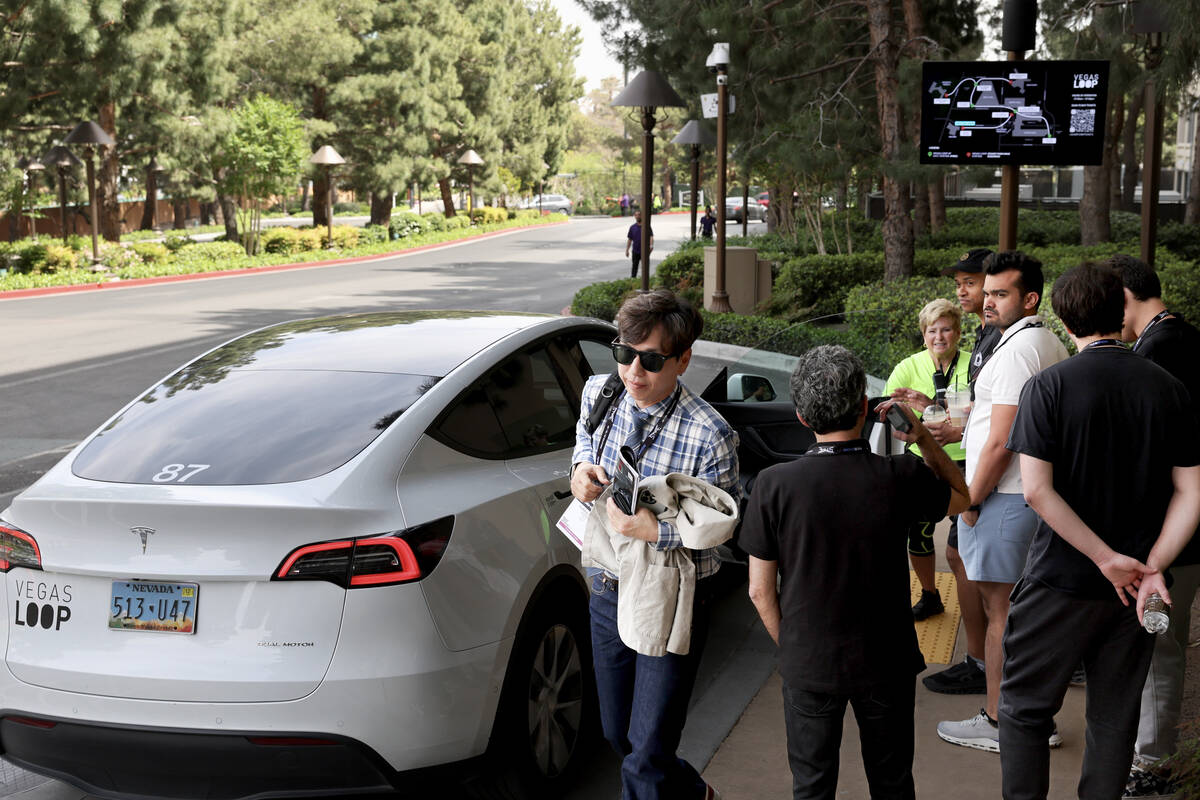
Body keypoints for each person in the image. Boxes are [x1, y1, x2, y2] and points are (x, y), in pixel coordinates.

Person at [1001, 261, 1200, 800]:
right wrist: (1151, 564)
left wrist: (1102, 557)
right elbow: (1190, 493)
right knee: (1115, 719)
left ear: (1065, 320)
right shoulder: (1168, 389)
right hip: (1137, 588)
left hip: (1059, 581)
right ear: (1123, 310)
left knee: (1023, 711)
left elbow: (1038, 492)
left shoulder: (1048, 387)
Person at [742, 345, 969, 800]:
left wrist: (794, 649)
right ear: (865, 407)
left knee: (812, 785)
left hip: (809, 661)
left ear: (803, 417)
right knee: (891, 782)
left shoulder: (774, 485)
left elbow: (759, 592)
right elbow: (961, 496)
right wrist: (922, 435)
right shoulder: (899, 475)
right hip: (886, 658)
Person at [569, 289, 740, 800]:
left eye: (651, 360)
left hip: (670, 595)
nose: (633, 372)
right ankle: (691, 791)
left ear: (683, 358)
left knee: (645, 753)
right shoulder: (600, 392)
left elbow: (721, 532)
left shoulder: (711, 433)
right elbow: (582, 440)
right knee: (618, 733)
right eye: (624, 353)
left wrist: (655, 531)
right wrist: (580, 471)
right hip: (606, 582)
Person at [936, 251, 1068, 752]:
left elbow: (1002, 440)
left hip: (1005, 499)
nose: (987, 302)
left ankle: (1001, 723)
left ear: (1029, 298)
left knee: (1003, 617)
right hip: (1020, 498)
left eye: (1000, 294)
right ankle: (1029, 719)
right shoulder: (1038, 341)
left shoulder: (1017, 351)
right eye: (986, 292)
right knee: (1018, 615)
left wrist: (971, 499)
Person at [1112, 254, 1200, 797]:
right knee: (1160, 642)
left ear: (1126, 296)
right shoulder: (1180, 337)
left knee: (1159, 644)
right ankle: (1152, 755)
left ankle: (1154, 763)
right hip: (1180, 524)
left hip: (1170, 532)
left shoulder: (1160, 350)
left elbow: (1151, 450)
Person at [921, 247, 995, 695]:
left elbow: (1001, 421)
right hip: (970, 466)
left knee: (971, 561)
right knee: (959, 555)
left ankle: (984, 664)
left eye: (970, 280)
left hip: (984, 474)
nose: (961, 289)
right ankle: (982, 657)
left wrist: (974, 494)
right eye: (959, 282)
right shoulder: (992, 336)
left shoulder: (1001, 338)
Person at [885, 298, 970, 620]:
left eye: (946, 329)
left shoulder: (974, 364)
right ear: (923, 335)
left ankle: (974, 597)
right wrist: (914, 419)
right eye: (932, 330)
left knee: (966, 535)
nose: (939, 337)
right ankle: (930, 594)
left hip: (966, 461)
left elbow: (984, 415)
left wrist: (930, 405)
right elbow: (890, 410)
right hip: (923, 462)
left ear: (958, 332)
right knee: (918, 531)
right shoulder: (908, 367)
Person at [626, 210, 654, 279]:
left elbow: (651, 236)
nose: (638, 216)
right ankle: (633, 280)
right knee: (634, 266)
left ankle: (644, 280)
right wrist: (627, 250)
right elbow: (630, 239)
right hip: (635, 250)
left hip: (644, 250)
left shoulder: (646, 226)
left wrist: (651, 246)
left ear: (642, 216)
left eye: (639, 215)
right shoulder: (632, 227)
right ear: (634, 216)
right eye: (636, 215)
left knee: (645, 267)